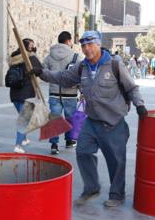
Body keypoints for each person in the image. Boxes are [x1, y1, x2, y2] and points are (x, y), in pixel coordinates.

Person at [37, 30, 146, 208]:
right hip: (91, 120)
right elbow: (63, 78)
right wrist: (42, 73)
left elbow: (131, 88)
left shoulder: (114, 64)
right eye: (83, 45)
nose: (86, 49)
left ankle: (117, 195)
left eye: (90, 44)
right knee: (83, 152)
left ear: (98, 44)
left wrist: (140, 105)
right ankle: (92, 187)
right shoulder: (82, 66)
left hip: (113, 122)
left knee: (116, 161)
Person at [43, 30, 80, 155]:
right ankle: (69, 140)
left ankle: (54, 144)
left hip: (54, 93)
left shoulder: (49, 56)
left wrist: (52, 80)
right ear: (69, 41)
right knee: (70, 118)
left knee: (55, 119)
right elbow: (80, 75)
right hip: (70, 93)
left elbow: (43, 72)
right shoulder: (75, 56)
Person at [7, 38, 43, 153]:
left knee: (23, 118)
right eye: (32, 45)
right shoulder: (30, 58)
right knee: (24, 121)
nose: (33, 47)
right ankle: (17, 145)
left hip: (14, 94)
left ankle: (24, 139)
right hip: (26, 94)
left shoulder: (13, 58)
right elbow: (41, 70)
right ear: (27, 46)